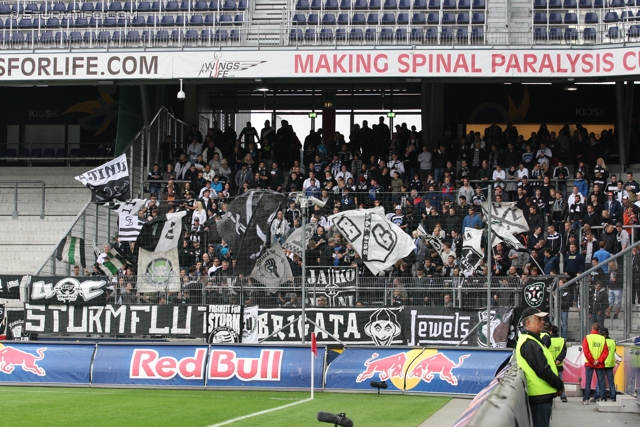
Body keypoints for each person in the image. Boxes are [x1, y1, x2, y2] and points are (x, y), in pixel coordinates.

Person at [515, 307, 564, 427]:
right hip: (539, 397)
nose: (543, 322)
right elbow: (542, 369)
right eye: (539, 319)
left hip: (540, 395)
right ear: (528, 323)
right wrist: (559, 385)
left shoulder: (531, 340)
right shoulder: (529, 343)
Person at [582, 322, 609, 404]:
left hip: (589, 363)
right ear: (598, 330)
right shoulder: (602, 338)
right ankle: (603, 398)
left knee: (588, 381)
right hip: (599, 364)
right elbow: (605, 352)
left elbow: (586, 351)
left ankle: (586, 399)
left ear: (592, 329)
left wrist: (592, 361)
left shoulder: (587, 337)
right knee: (601, 381)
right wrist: (599, 360)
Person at [598, 327, 617, 402]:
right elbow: (614, 350)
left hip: (602, 363)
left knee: (600, 381)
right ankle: (613, 397)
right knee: (611, 381)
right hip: (610, 363)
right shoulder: (613, 342)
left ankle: (600, 396)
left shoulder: (601, 342)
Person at [549, 325, 568, 402]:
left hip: (551, 364)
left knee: (549, 380)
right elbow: (564, 351)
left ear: (551, 331)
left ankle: (550, 395)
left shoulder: (548, 339)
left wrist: (553, 360)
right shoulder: (562, 340)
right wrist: (559, 360)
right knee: (560, 380)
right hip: (559, 364)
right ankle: (563, 396)